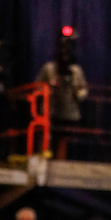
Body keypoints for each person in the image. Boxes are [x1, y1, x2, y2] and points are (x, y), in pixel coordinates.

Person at [36, 27, 88, 158]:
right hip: (51, 113)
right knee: (48, 145)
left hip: (70, 114)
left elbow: (83, 90)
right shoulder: (49, 69)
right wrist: (49, 87)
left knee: (66, 146)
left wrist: (76, 92)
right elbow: (37, 87)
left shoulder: (76, 71)